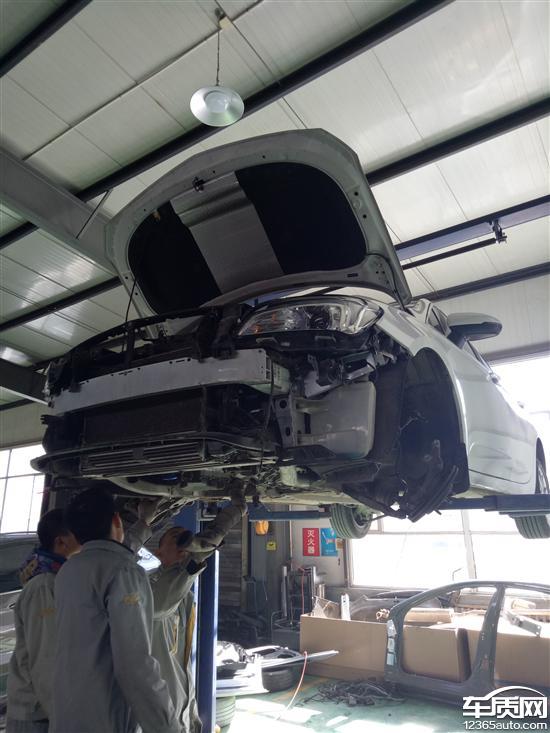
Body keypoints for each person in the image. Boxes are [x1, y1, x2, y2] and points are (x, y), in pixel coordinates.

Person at [50, 488, 181, 733]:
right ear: (117, 520)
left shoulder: (69, 570)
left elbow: (111, 553)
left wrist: (144, 523)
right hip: (104, 719)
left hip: (67, 715)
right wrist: (168, 727)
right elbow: (135, 666)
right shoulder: (124, 572)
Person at [148, 488, 247, 733]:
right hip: (158, 707)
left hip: (181, 700)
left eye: (185, 538)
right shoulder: (148, 586)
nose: (182, 542)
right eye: (175, 538)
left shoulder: (184, 591)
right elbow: (161, 604)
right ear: (158, 553)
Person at [6, 509, 81, 733]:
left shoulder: (54, 578)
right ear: (61, 542)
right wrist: (65, 720)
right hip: (37, 713)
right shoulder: (44, 586)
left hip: (45, 711)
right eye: (79, 537)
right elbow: (46, 660)